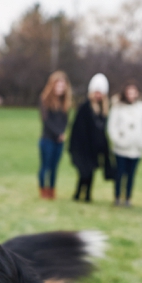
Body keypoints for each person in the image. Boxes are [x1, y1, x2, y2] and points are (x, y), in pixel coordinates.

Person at [107, 81, 142, 206]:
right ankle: (117, 197)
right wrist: (118, 140)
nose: (131, 95)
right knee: (119, 173)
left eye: (134, 92)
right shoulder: (118, 107)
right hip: (121, 148)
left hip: (136, 149)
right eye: (129, 92)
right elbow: (112, 126)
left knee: (131, 175)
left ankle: (128, 198)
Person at [69, 73, 113, 202]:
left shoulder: (103, 110)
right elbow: (78, 129)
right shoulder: (84, 108)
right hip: (83, 147)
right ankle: (78, 193)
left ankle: (87, 194)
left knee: (91, 172)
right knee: (84, 172)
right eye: (96, 92)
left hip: (95, 148)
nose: (98, 96)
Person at [37, 71, 71, 199]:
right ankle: (43, 190)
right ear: (52, 85)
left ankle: (51, 190)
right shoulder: (44, 99)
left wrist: (62, 134)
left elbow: (65, 121)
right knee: (45, 166)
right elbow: (46, 121)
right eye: (58, 85)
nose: (60, 89)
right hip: (47, 139)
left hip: (59, 141)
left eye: (63, 86)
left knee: (54, 168)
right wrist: (58, 133)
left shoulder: (65, 102)